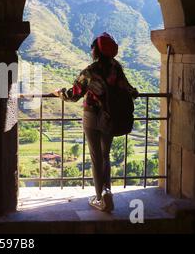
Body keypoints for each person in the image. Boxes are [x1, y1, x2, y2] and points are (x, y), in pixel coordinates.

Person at [54, 32, 138, 212]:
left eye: (93, 48)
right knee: (105, 156)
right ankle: (107, 192)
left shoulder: (90, 72)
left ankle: (100, 198)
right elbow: (130, 90)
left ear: (97, 51)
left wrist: (58, 93)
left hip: (92, 117)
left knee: (95, 157)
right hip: (111, 117)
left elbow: (73, 95)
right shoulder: (116, 68)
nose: (91, 51)